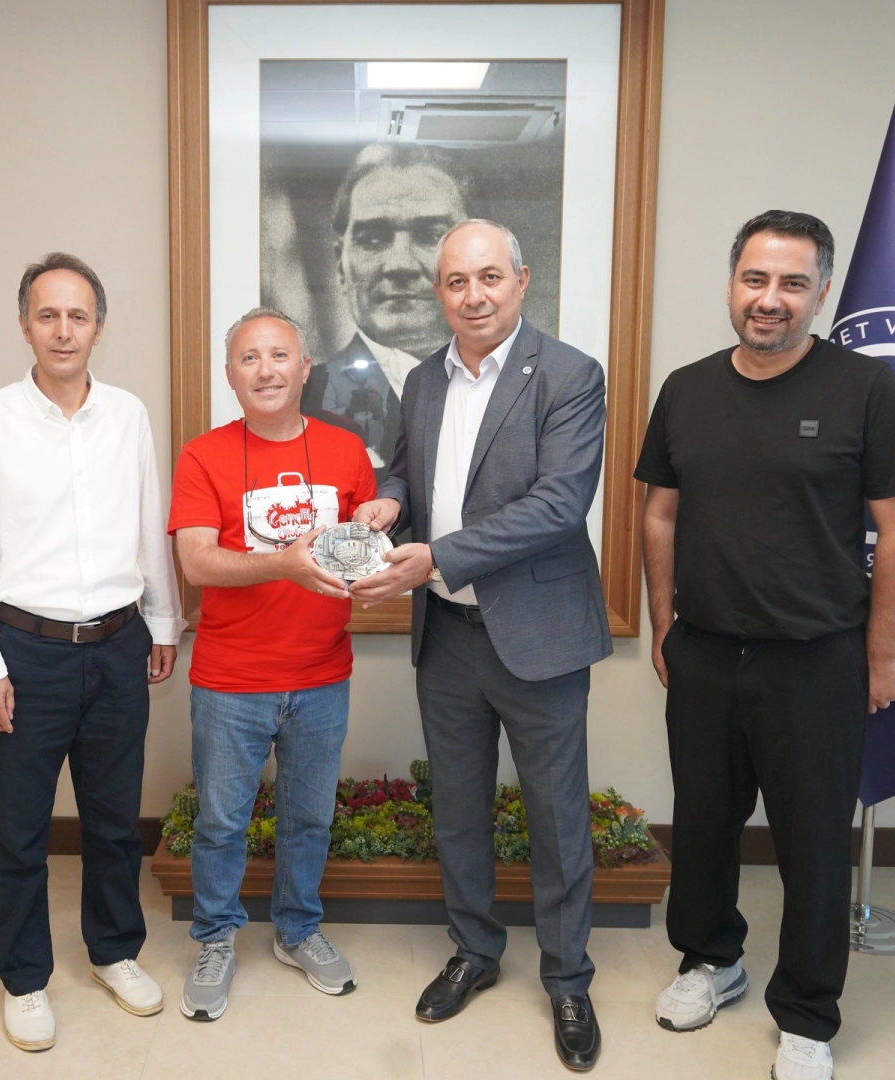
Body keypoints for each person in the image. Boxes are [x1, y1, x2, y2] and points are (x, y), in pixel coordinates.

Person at [635, 211, 895, 1080]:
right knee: (702, 825)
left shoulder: (864, 388)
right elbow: (660, 512)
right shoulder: (687, 389)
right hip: (705, 652)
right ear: (732, 284)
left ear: (821, 293)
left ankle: (806, 1014)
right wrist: (664, 624)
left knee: (813, 848)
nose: (770, 300)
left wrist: (883, 655)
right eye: (755, 280)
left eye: (793, 283)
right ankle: (710, 961)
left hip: (817, 660)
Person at [349, 219, 610, 1072]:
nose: (474, 296)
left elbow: (558, 506)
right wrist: (390, 502)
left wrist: (437, 557)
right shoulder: (424, 379)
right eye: (457, 281)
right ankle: (474, 950)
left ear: (521, 281)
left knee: (556, 819)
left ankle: (567, 979)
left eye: (489, 277)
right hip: (448, 638)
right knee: (458, 810)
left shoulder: (569, 375)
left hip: (538, 637)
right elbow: (404, 469)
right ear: (440, 292)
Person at [0, 253, 185, 1052]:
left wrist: (163, 622)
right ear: (25, 326)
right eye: (47, 315)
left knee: (114, 823)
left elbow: (149, 520)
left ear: (98, 328)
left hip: (118, 645)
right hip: (26, 651)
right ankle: (24, 980)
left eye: (77, 316)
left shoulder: (128, 415)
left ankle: (114, 952)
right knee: (17, 832)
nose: (62, 330)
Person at [167, 307, 377, 1021]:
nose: (266, 370)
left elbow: (362, 548)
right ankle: (216, 938)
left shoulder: (346, 451)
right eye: (249, 358)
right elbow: (197, 561)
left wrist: (372, 563)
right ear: (230, 375)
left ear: (305, 367)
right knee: (221, 824)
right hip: (231, 681)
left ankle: (297, 929)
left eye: (279, 355)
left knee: (309, 819)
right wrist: (282, 563)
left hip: (322, 675)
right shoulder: (203, 456)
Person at [304, 143, 473, 477]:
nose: (400, 265)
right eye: (373, 239)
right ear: (340, 264)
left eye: (431, 235)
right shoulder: (304, 400)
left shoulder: (520, 388)